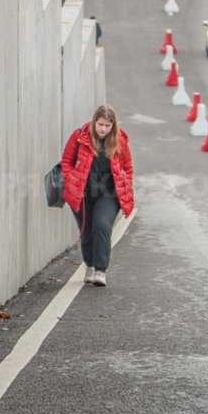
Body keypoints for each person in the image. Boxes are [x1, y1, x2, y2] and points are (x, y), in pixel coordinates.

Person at [61, 105, 134, 287]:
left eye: (107, 126)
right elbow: (66, 162)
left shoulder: (120, 141)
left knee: (102, 226)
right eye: (100, 124)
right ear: (94, 122)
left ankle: (100, 270)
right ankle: (90, 265)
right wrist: (71, 179)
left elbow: (128, 168)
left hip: (108, 194)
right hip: (83, 192)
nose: (103, 129)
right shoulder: (79, 137)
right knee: (86, 231)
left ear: (113, 126)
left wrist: (125, 185)